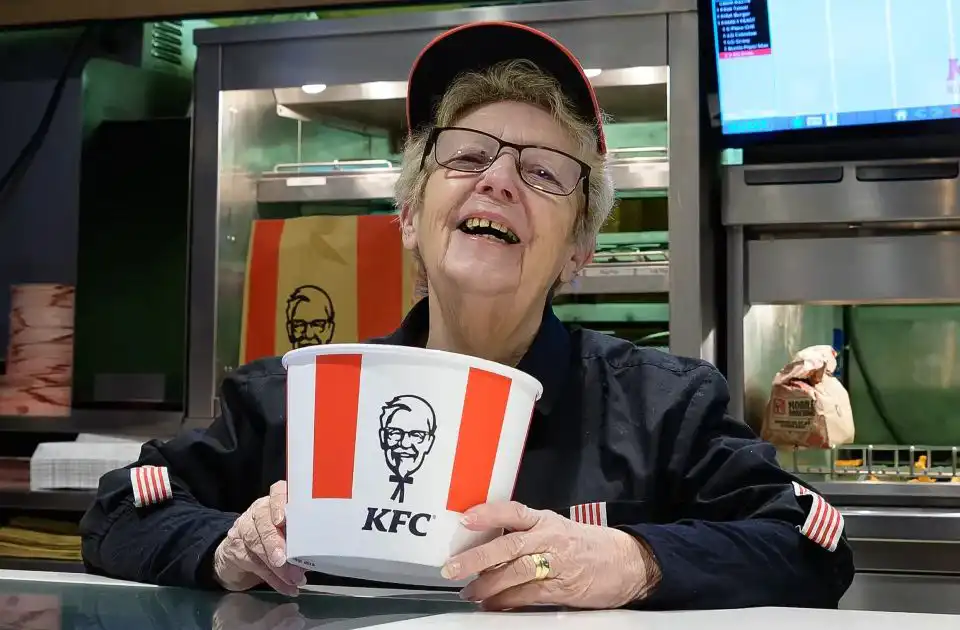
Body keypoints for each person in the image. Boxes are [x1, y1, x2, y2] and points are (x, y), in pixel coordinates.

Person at [80, 21, 855, 611]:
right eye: (465, 157)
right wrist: (226, 547)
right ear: (412, 215)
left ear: (577, 253)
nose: (499, 181)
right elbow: (120, 508)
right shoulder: (291, 403)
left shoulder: (665, 409)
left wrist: (632, 559)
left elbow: (812, 545)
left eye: (544, 171)